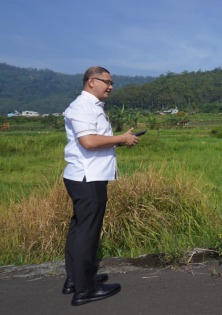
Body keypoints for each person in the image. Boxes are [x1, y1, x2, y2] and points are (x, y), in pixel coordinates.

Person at [62, 67, 140, 306]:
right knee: (88, 232)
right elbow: (89, 141)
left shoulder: (91, 106)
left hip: (86, 176)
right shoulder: (83, 106)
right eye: (107, 81)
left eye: (111, 82)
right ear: (91, 81)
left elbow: (94, 138)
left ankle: (76, 279)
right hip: (89, 178)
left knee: (79, 228)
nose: (110, 86)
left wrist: (118, 137)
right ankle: (85, 289)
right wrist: (122, 139)